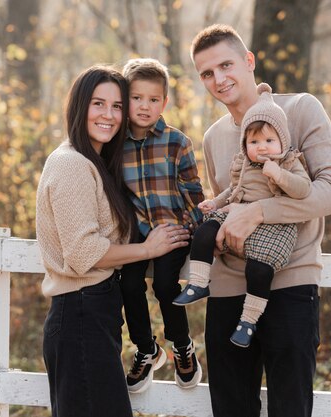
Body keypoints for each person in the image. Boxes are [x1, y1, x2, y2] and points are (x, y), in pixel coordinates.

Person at [190, 24, 331, 417]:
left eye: (226, 65)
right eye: (207, 73)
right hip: (228, 288)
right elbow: (230, 204)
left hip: (290, 281)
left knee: (289, 407)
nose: (219, 79)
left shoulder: (300, 109)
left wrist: (260, 212)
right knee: (230, 408)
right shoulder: (214, 137)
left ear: (249, 62)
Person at [36, 65, 190, 417]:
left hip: (94, 312)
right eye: (98, 104)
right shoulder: (71, 164)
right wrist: (148, 250)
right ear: (78, 106)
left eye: (118, 106)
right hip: (79, 313)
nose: (109, 115)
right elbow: (83, 253)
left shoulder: (96, 164)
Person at [173, 82, 311, 349]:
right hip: (237, 213)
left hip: (274, 226)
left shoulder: (289, 162)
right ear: (244, 143)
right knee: (203, 232)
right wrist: (215, 202)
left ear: (282, 140)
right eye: (254, 141)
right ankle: (198, 283)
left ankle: (248, 321)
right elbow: (233, 190)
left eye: (269, 140)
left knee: (259, 271)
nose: (262, 147)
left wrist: (279, 175)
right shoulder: (243, 163)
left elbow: (303, 189)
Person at [119, 58, 204, 393]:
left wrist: (194, 230)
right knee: (128, 284)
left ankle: (182, 346)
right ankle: (146, 349)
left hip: (172, 230)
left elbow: (194, 192)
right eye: (137, 98)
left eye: (153, 100)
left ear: (164, 103)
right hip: (137, 232)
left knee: (166, 285)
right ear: (126, 100)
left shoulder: (176, 142)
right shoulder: (116, 146)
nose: (145, 106)